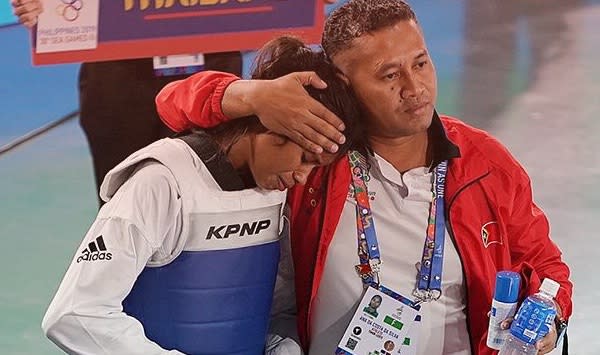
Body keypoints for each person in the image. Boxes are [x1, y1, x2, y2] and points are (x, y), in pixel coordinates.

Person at [153, 1, 573, 355]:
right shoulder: (316, 158)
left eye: (421, 64)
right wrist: (254, 96)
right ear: (344, 84)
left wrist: (548, 314)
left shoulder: (484, 162)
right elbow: (173, 104)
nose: (416, 88)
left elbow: (547, 268)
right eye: (390, 75)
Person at [40, 36, 362, 354]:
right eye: (305, 158)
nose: (303, 177)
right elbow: (75, 314)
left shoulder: (276, 195)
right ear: (272, 127)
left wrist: (283, 345)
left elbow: (275, 308)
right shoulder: (161, 182)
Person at [11, 0, 336, 206]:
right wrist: (42, 6)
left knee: (220, 197)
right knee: (125, 202)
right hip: (117, 73)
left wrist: (300, 5)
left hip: (216, 61)